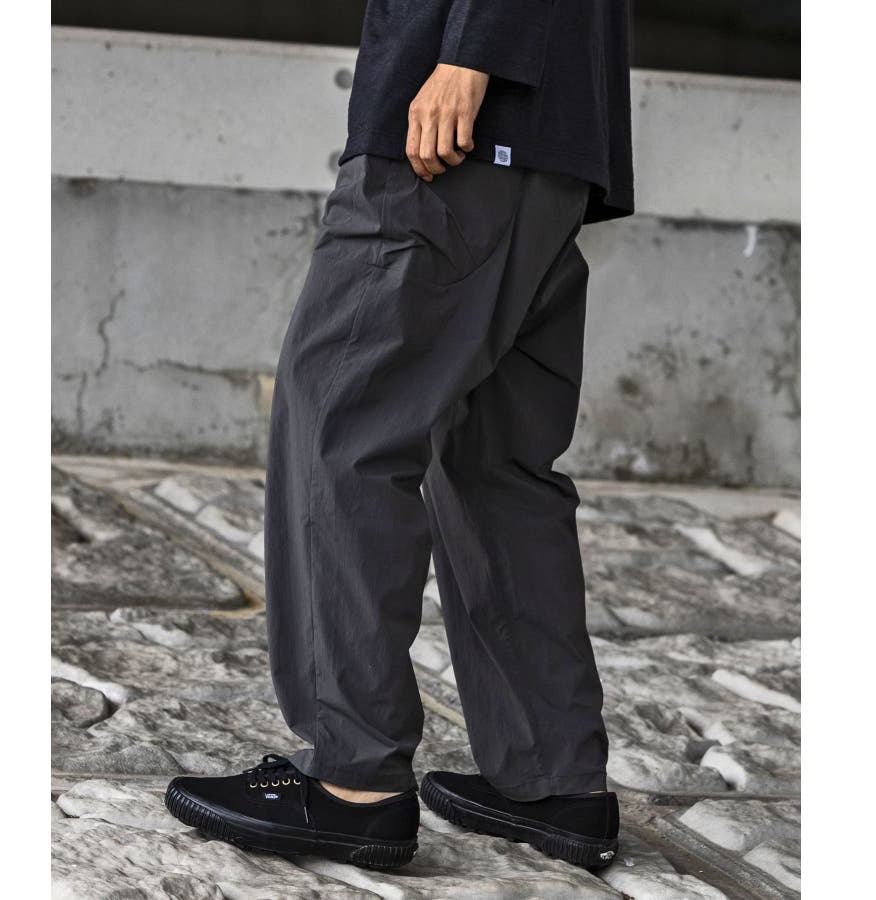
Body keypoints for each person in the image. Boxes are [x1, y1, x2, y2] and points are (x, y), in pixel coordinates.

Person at [166, 0, 633, 871]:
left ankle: (354, 781)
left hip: (456, 129)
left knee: (340, 420)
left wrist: (470, 57)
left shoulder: (467, 74)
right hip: (552, 136)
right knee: (494, 463)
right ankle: (553, 776)